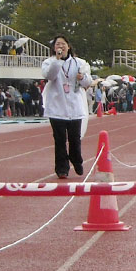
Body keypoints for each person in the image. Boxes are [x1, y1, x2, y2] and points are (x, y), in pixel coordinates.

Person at [41, 35, 92, 179]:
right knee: (60, 140)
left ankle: (77, 160)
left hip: (75, 107)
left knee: (75, 139)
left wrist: (83, 78)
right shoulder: (49, 62)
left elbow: (88, 81)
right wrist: (57, 61)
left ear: (68, 46)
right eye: (57, 44)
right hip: (57, 108)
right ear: (54, 48)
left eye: (63, 44)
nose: (61, 47)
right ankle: (62, 168)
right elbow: (49, 76)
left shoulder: (79, 63)